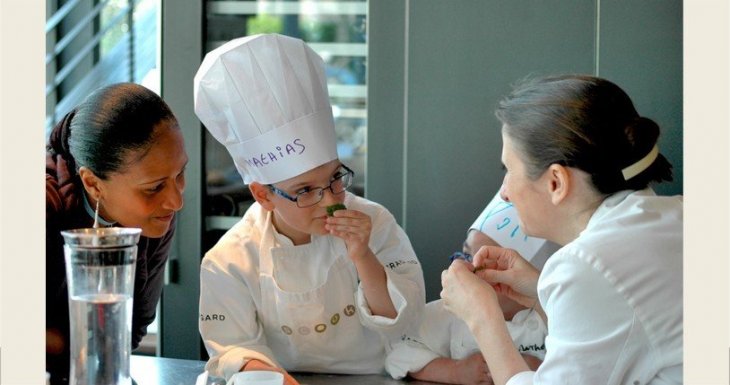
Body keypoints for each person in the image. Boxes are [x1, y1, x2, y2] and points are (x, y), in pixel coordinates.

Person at [194, 34, 425, 384]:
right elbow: (231, 349)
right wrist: (272, 377)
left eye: (335, 179)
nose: (332, 201)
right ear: (262, 194)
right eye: (305, 191)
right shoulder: (229, 260)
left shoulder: (374, 222)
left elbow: (405, 322)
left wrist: (363, 256)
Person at [440, 75, 682, 385]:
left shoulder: (587, 266)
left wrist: (482, 318)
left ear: (556, 182)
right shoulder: (675, 215)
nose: (504, 193)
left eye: (509, 171)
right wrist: (539, 293)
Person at [46, 83, 187, 384]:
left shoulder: (153, 216)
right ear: (93, 183)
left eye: (180, 175)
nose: (176, 201)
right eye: (155, 187)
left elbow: (130, 333)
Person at [386, 192, 560, 384]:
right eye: (467, 254)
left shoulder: (554, 316)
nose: (469, 268)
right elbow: (399, 351)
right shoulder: (448, 312)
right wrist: (455, 371)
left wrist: (539, 370)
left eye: (488, 262)